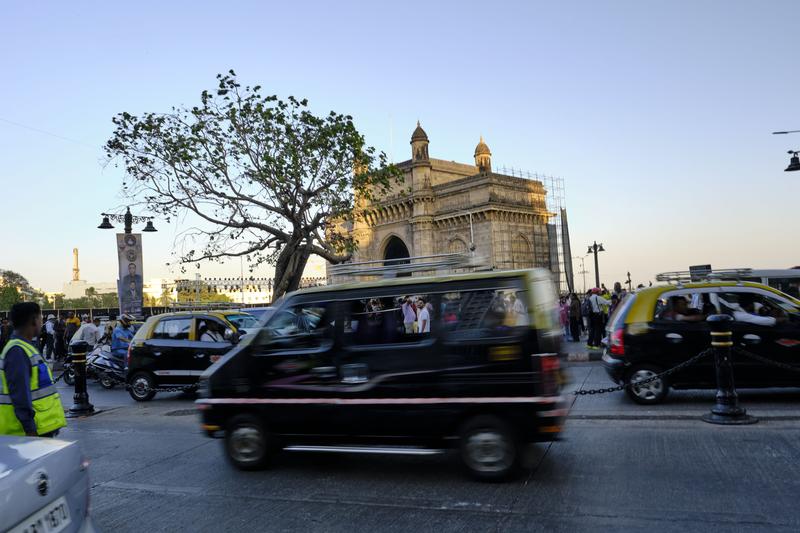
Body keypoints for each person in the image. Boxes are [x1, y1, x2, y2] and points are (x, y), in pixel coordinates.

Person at [0, 302, 67, 437]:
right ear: (33, 321)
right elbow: (20, 394)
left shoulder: (26, 347)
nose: (41, 321)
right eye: (40, 318)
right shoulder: (17, 351)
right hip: (28, 432)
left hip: (41, 428)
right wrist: (30, 430)